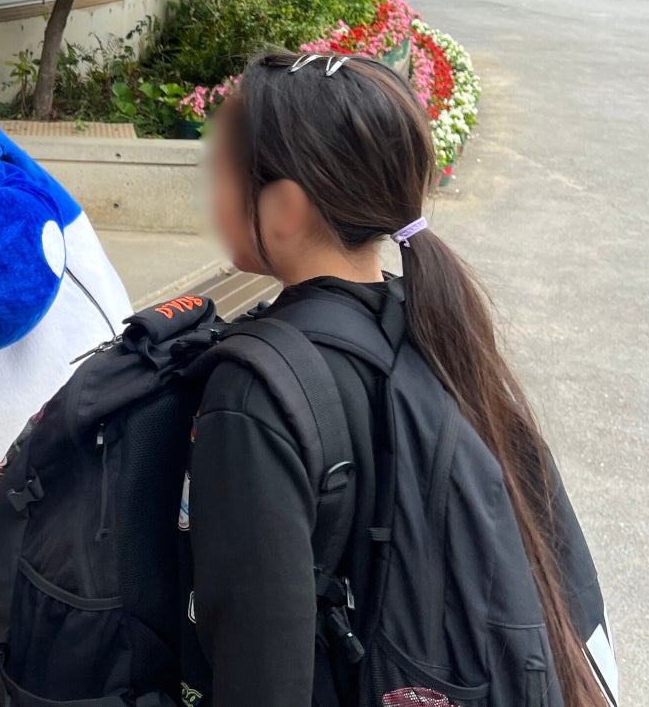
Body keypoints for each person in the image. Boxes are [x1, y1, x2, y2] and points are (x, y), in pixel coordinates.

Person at [189, 50, 607, 706]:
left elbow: (260, 677)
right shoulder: (434, 324)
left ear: (286, 207)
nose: (210, 191)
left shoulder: (255, 393)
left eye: (220, 170)